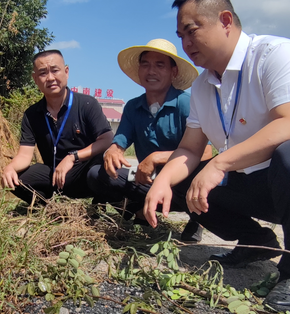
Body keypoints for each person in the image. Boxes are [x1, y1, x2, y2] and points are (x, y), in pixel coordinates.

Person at [143, 0, 290, 311]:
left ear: (226, 21)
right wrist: (161, 181)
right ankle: (258, 243)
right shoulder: (203, 86)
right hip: (263, 184)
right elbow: (189, 150)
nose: (186, 44)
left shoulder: (274, 54)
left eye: (191, 31)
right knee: (186, 180)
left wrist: (218, 163)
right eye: (181, 35)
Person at [86, 39, 209, 243]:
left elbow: (205, 152)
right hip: (149, 179)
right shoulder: (133, 106)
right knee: (96, 174)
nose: (151, 71)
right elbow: (120, 141)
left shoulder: (186, 103)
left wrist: (157, 157)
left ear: (173, 72)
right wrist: (113, 151)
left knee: (204, 177)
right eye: (146, 64)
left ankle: (198, 218)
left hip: (182, 180)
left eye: (160, 65)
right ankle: (138, 207)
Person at [1, 50, 114, 205]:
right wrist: (10, 168)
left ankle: (99, 204)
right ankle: (51, 208)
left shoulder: (87, 104)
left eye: (55, 70)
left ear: (66, 72)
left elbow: (107, 139)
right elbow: (24, 156)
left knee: (99, 172)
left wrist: (73, 157)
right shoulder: (32, 114)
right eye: (43, 73)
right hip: (53, 175)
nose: (50, 78)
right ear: (35, 79)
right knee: (17, 180)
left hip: (84, 172)